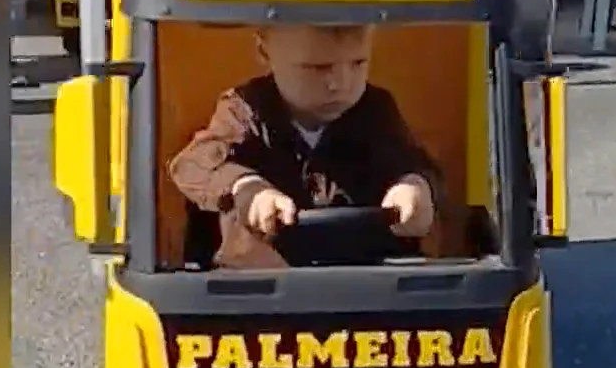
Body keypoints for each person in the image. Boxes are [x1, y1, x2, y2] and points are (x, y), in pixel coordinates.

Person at [168, 25, 442, 270]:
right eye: (318, 68)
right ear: (264, 52)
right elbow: (191, 164)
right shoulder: (245, 110)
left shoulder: (376, 110)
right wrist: (247, 188)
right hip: (260, 285)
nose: (341, 84)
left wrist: (414, 187)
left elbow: (414, 163)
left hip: (362, 280)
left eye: (358, 63)